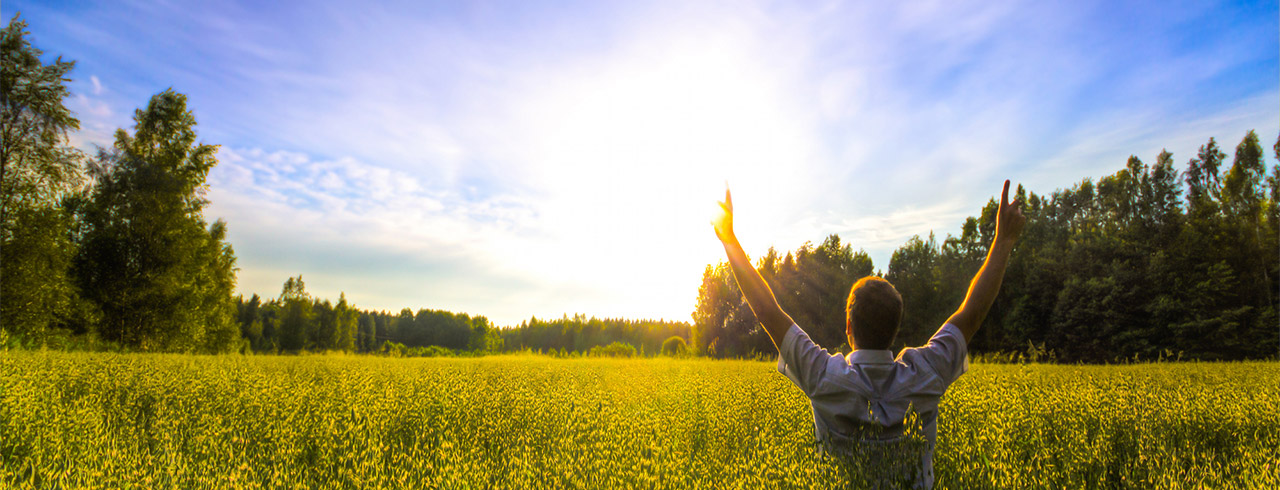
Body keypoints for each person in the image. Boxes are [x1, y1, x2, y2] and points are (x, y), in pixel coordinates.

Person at [711, 180, 1026, 488]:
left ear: (849, 329)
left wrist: (729, 240)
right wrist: (1003, 240)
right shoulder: (927, 372)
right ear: (895, 330)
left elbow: (767, 311)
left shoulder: (823, 375)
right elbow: (972, 314)